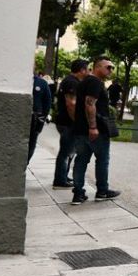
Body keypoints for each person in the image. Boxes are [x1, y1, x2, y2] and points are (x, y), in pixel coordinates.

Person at [71, 56, 120, 204]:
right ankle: (102, 191)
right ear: (97, 67)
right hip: (95, 130)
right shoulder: (95, 82)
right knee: (102, 161)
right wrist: (93, 127)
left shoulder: (85, 81)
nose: (111, 70)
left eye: (112, 67)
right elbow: (89, 104)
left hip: (82, 129)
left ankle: (78, 194)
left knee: (81, 160)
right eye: (108, 67)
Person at [52, 59, 90, 188]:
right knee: (66, 152)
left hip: (66, 121)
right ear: (82, 70)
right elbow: (71, 104)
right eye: (88, 69)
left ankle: (63, 176)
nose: (89, 72)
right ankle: (60, 180)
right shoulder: (72, 82)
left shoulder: (69, 81)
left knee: (68, 151)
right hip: (68, 123)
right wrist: (77, 121)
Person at [28, 71, 53, 162]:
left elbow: (47, 103)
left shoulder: (42, 83)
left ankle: (26, 163)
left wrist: (41, 122)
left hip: (35, 120)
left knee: (31, 143)